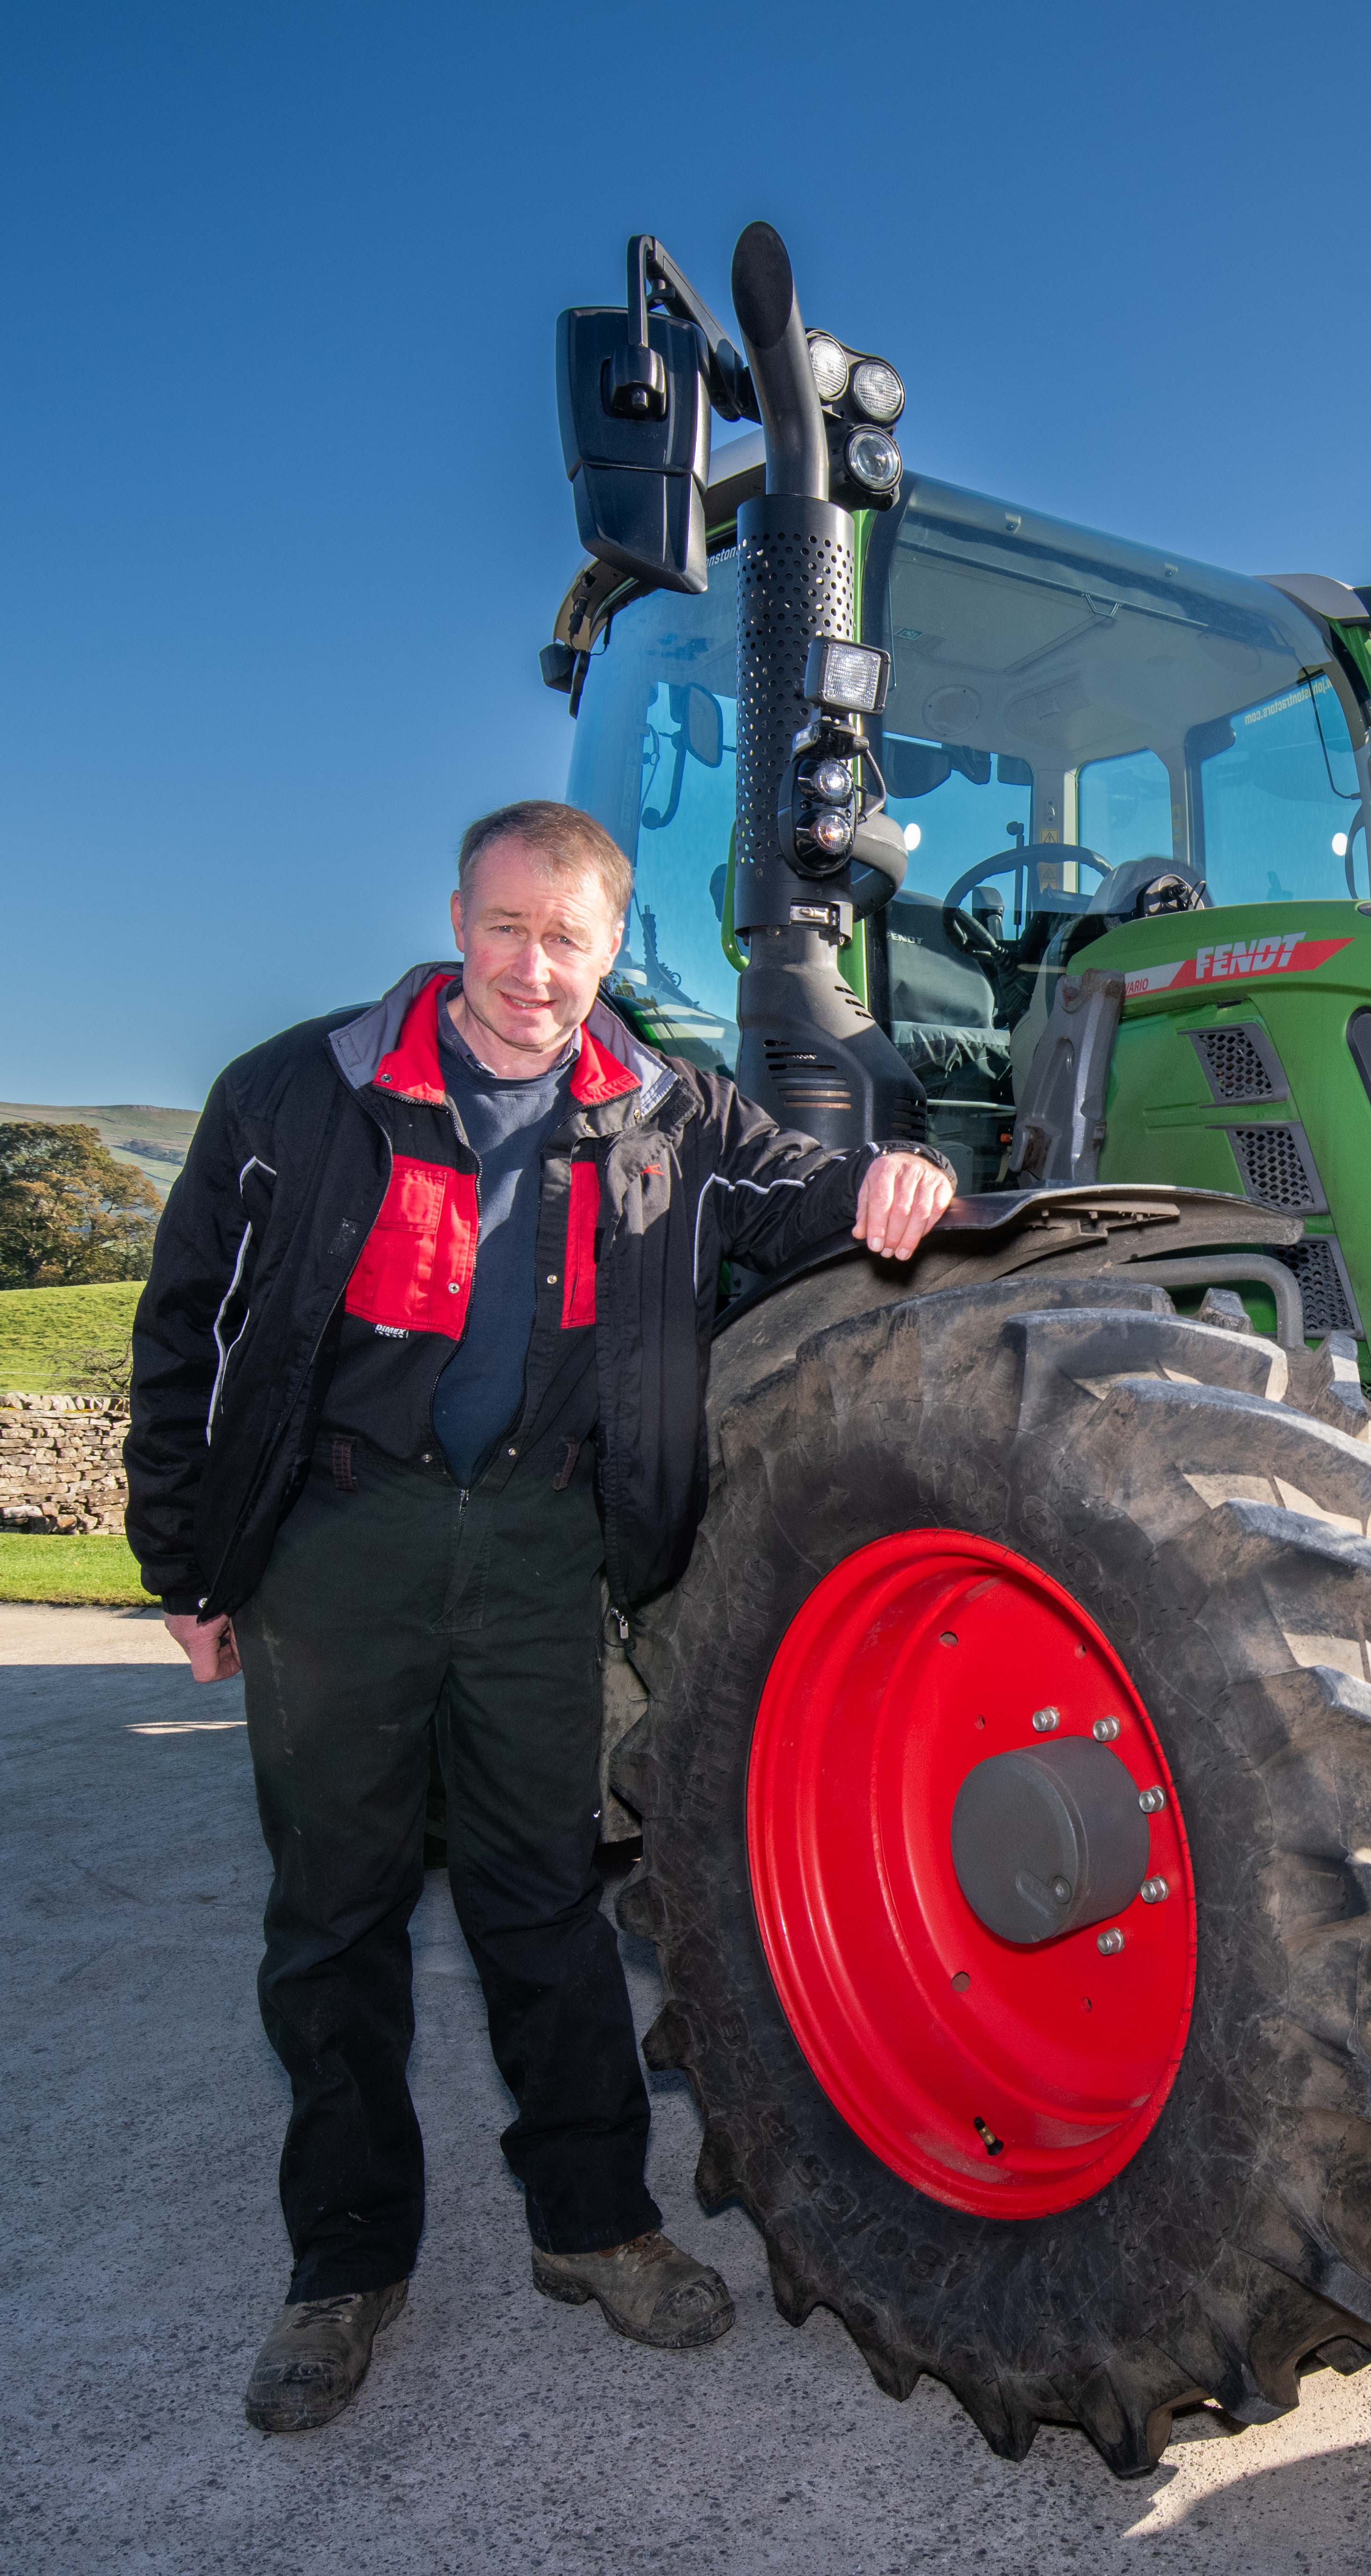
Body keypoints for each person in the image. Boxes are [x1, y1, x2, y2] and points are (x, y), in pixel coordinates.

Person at [126, 800, 956, 2434]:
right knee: (336, 1917)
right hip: (335, 1537)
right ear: (457, 919)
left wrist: (900, 1176)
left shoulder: (664, 1111)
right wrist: (189, 1565)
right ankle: (344, 2265)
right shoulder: (302, 1090)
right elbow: (188, 1332)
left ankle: (596, 2226)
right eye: (506, 929)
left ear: (606, 948)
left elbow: (802, 1199)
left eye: (566, 938)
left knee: (542, 1904)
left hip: (531, 1545)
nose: (532, 968)